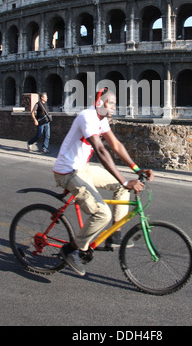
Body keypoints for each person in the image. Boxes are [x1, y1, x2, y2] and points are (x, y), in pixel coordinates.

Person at [53, 87, 153, 276]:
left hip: (83, 169)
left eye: (116, 103)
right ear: (99, 103)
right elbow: (101, 151)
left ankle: (114, 235)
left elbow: (115, 145)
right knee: (102, 214)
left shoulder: (102, 120)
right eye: (111, 103)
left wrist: (137, 169)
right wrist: (124, 181)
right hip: (67, 172)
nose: (115, 107)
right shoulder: (87, 117)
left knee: (121, 189)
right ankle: (70, 249)